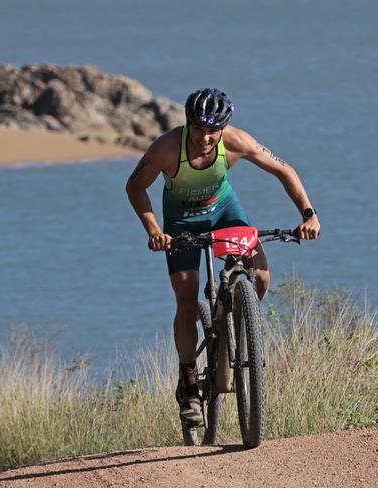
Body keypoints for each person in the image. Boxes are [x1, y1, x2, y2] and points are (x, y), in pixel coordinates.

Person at [125, 88, 320, 425]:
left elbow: (284, 170)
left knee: (260, 277)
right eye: (199, 129)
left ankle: (233, 318)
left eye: (213, 130)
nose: (205, 137)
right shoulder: (166, 148)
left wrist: (309, 214)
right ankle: (188, 384)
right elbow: (135, 187)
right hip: (180, 219)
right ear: (188, 124)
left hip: (225, 211)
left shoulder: (236, 141)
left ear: (223, 127)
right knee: (186, 302)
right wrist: (154, 230)